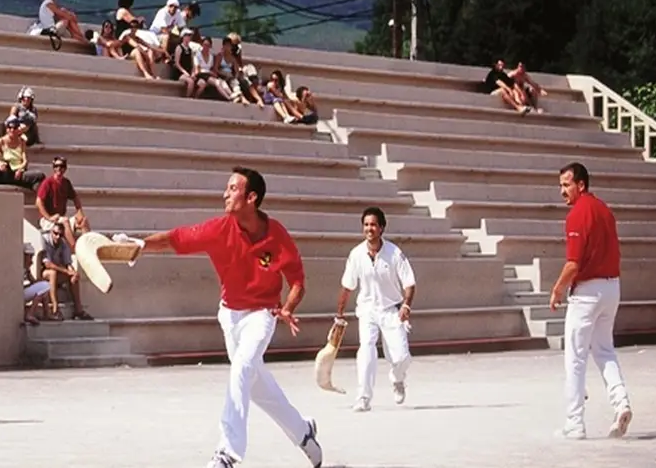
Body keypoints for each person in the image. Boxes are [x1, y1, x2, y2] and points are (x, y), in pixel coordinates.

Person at [118, 168, 323, 468]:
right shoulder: (219, 229)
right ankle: (304, 432)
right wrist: (140, 245)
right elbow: (176, 239)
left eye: (232, 189)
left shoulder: (277, 235)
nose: (224, 194)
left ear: (251, 197)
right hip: (230, 316)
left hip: (262, 315)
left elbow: (298, 282)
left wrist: (288, 307)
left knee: (241, 369)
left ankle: (228, 452)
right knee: (255, 385)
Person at [549, 162, 632, 440]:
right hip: (612, 288)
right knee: (605, 350)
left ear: (580, 184)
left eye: (566, 184)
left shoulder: (577, 215)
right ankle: (621, 402)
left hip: (587, 293)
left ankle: (574, 423)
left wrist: (557, 289)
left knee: (575, 357)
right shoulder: (605, 210)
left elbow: (573, 264)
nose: (562, 191)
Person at [336, 206, 416, 412]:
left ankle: (397, 378)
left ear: (381, 228)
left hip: (392, 310)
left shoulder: (395, 253)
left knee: (402, 358)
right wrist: (340, 313)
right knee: (366, 350)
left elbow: (409, 283)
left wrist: (406, 305)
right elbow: (347, 286)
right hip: (367, 310)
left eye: (373, 225)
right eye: (366, 225)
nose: (369, 229)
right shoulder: (356, 254)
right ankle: (363, 397)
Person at [39, 222, 92, 321]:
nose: (58, 236)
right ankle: (55, 309)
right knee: (52, 273)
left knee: (74, 276)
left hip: (58, 273)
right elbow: (47, 264)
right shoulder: (44, 240)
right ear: (51, 232)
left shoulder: (63, 243)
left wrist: (73, 272)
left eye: (60, 234)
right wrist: (66, 271)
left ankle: (78, 310)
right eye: (55, 233)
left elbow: (68, 263)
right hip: (44, 273)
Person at [35, 156, 90, 250]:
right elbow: (38, 202)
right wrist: (49, 217)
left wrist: (79, 211)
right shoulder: (48, 182)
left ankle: (88, 247)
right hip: (47, 220)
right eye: (56, 166)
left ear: (65, 168)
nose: (59, 169)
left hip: (60, 218)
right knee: (65, 221)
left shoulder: (66, 183)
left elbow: (75, 197)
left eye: (61, 166)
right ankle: (74, 248)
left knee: (83, 221)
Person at [0, 117, 45, 191]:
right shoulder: (1, 141)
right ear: (7, 129)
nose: (12, 130)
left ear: (18, 129)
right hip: (8, 172)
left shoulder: (22, 141)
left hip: (19, 172)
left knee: (37, 184)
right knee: (40, 176)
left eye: (15, 128)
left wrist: (20, 169)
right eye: (10, 127)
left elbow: (25, 160)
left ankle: (40, 199)